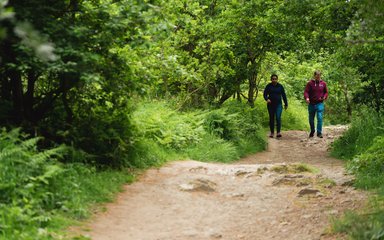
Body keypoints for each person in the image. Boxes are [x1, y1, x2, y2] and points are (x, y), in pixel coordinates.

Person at [304, 70, 329, 138]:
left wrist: (324, 97)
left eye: (319, 76)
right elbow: (306, 92)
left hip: (319, 103)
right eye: (317, 76)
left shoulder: (323, 83)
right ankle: (312, 130)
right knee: (311, 119)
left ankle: (319, 132)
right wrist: (307, 98)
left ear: (320, 76)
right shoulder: (310, 83)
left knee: (320, 118)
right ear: (314, 76)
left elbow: (326, 92)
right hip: (311, 103)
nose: (318, 77)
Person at [263, 74, 288, 138]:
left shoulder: (280, 86)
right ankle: (272, 133)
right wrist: (267, 99)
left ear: (277, 79)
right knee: (271, 118)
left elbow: (284, 95)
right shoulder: (268, 86)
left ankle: (278, 132)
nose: (274, 80)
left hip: (278, 105)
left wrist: (286, 104)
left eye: (275, 79)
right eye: (273, 79)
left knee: (278, 117)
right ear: (271, 79)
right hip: (270, 105)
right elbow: (265, 94)